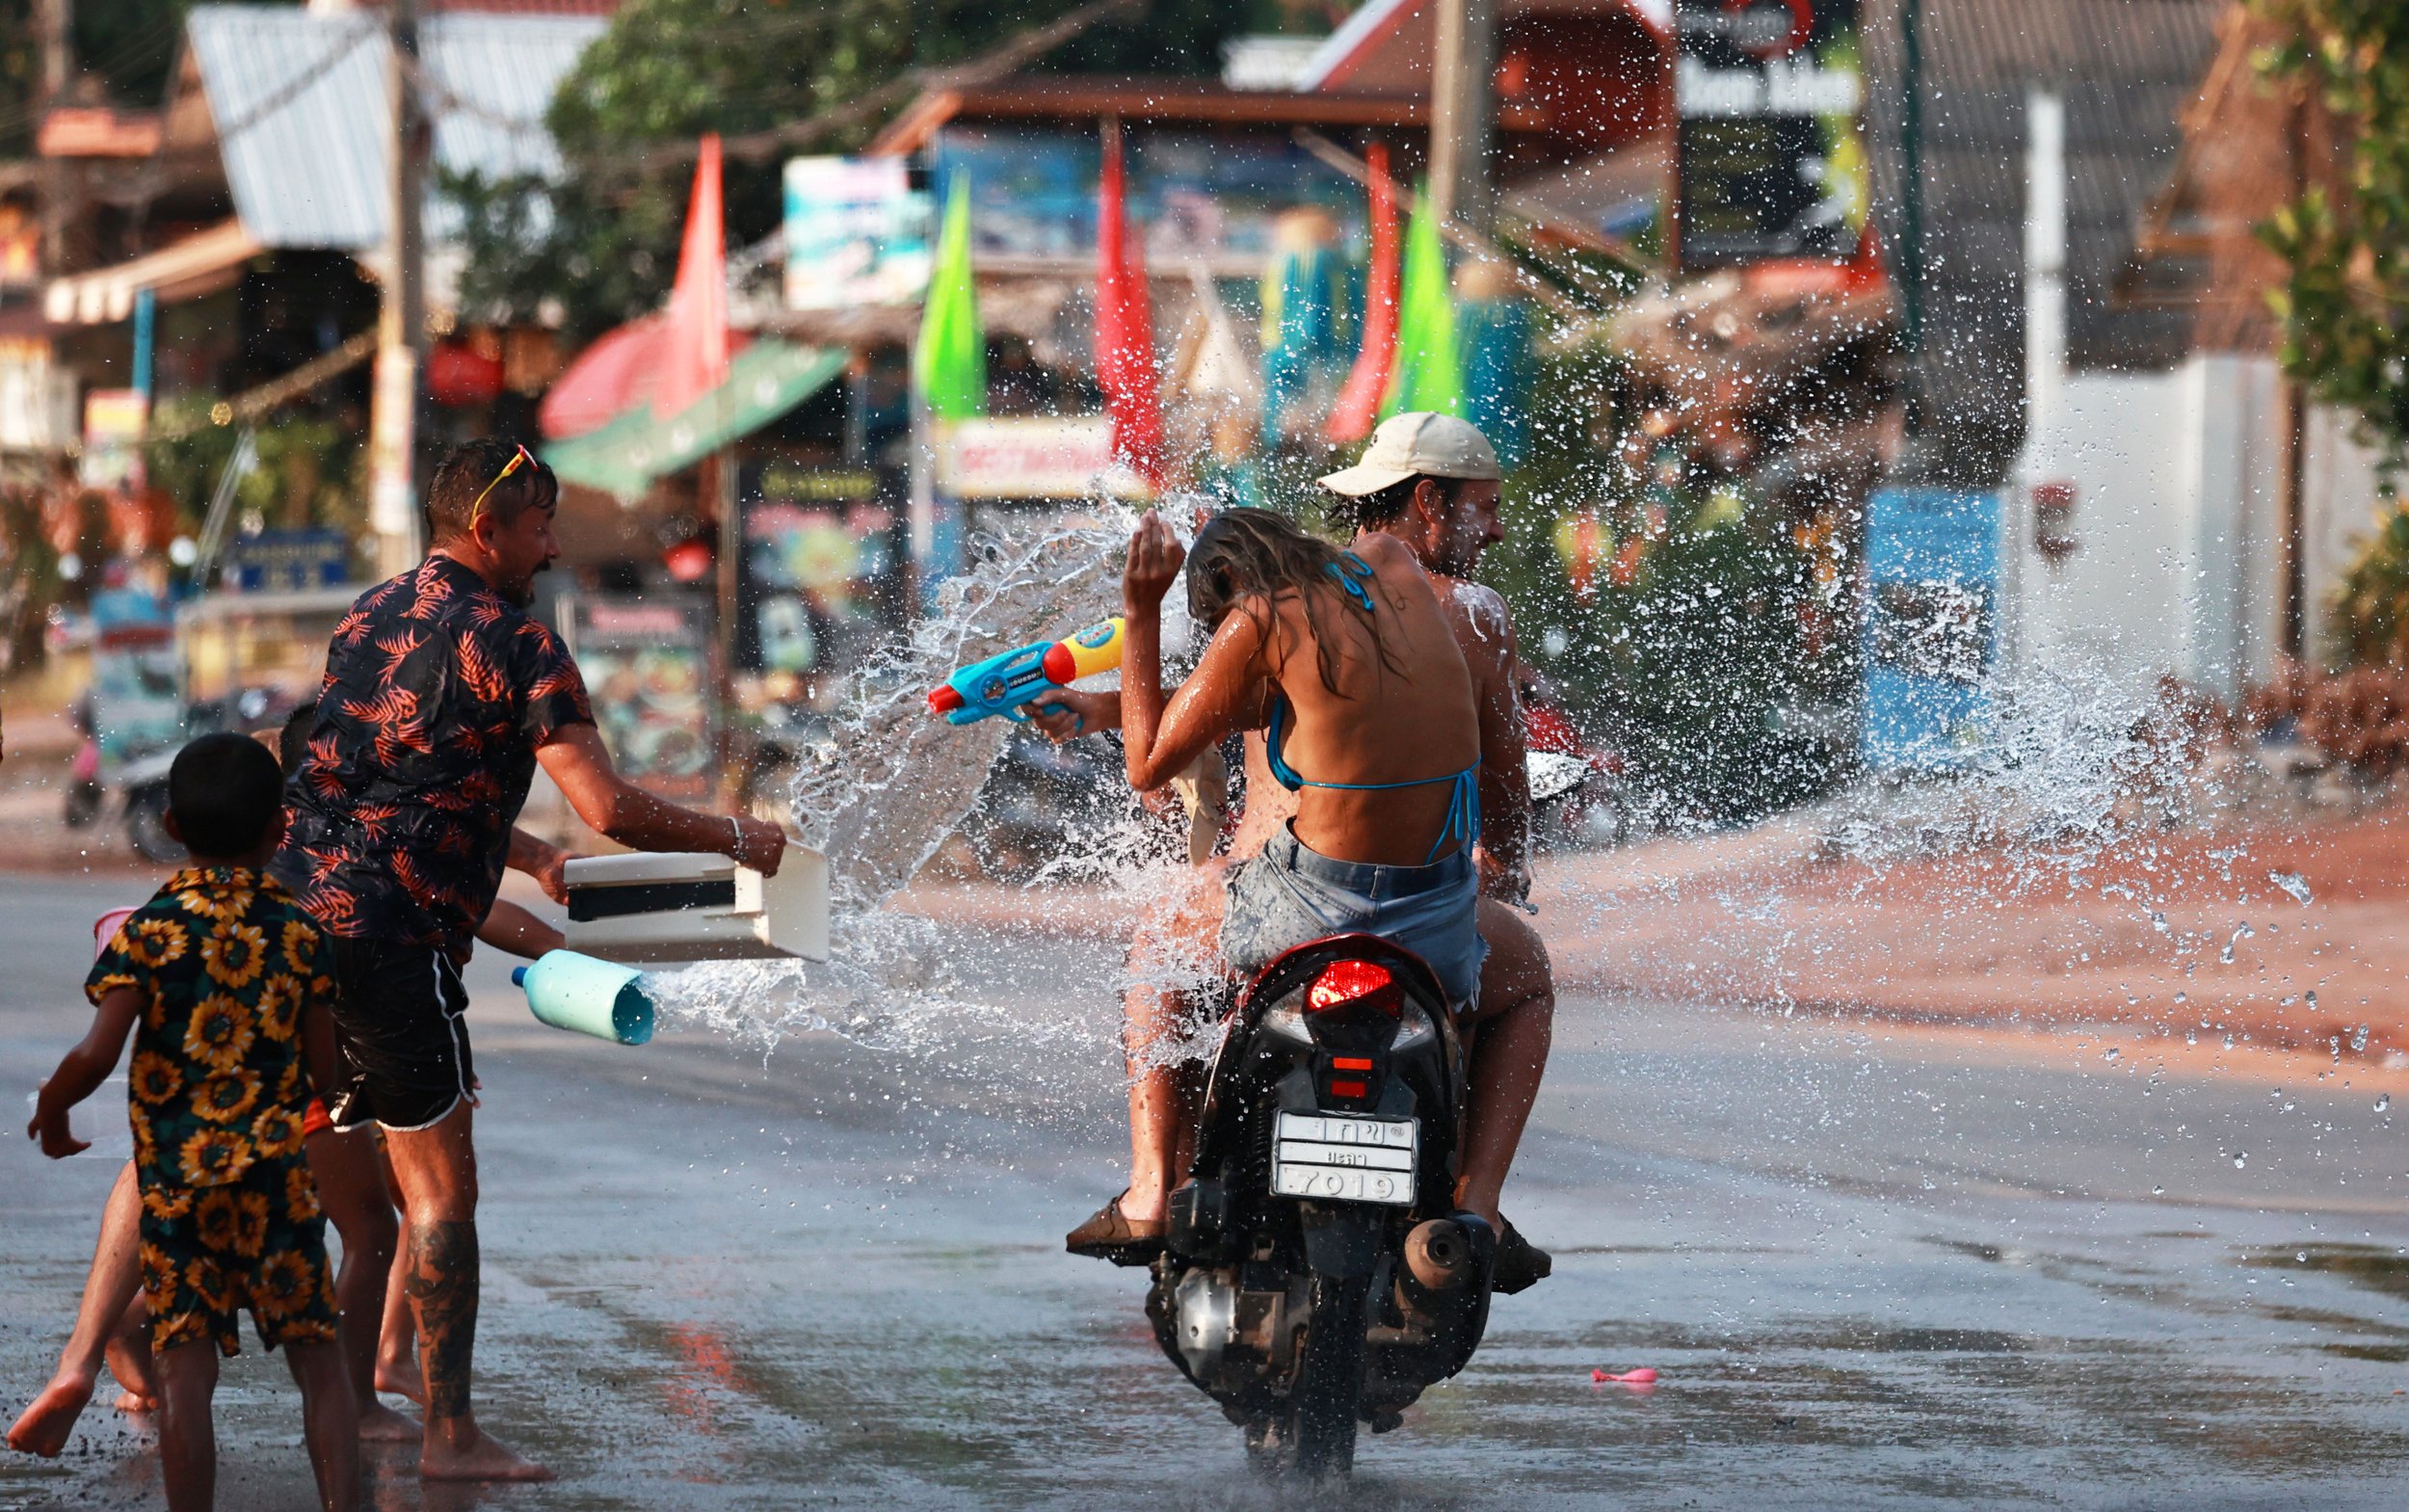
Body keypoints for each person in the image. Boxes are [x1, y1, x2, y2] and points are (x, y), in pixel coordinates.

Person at [271, 438, 785, 1481]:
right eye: (540, 526)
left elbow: (388, 784)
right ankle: (450, 1435)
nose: (553, 548)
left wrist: (532, 855)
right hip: (393, 945)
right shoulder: (519, 642)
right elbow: (609, 806)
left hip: (288, 925)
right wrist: (738, 838)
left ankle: (326, 1392)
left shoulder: (365, 617)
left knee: (303, 1179)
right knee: (440, 1197)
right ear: (485, 529)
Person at [1047, 414, 1554, 1290]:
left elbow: (1154, 760)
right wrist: (1498, 868)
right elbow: (1503, 799)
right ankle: (1479, 1206)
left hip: (1295, 910)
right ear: (1427, 505)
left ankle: (1152, 1187)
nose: (1499, 531)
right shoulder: (1471, 614)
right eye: (1488, 508)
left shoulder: (1277, 611)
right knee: (1530, 975)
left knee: (1160, 943)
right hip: (1433, 924)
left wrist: (1139, 609)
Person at [26, 732, 358, 1512]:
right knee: (321, 1366)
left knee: (184, 1374)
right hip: (278, 1186)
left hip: (181, 1192)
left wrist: (53, 1107)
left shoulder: (149, 932)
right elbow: (326, 1068)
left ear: (172, 825)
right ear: (279, 828)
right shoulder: (300, 932)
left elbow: (97, 1052)